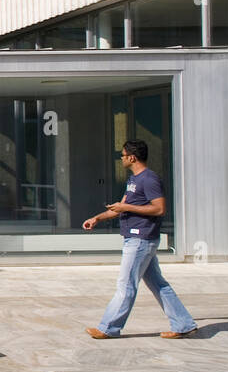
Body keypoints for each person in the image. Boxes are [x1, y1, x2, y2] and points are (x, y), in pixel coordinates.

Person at [82, 139, 197, 339]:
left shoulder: (149, 179)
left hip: (140, 240)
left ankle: (108, 328)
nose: (122, 158)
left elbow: (159, 209)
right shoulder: (133, 180)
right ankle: (184, 324)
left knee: (125, 285)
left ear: (132, 157)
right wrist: (97, 218)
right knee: (158, 284)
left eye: (123, 155)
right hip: (137, 239)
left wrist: (126, 208)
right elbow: (122, 206)